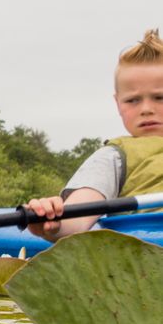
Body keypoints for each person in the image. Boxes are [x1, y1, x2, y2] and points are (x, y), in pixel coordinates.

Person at [26, 29, 163, 241]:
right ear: (118, 104)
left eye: (160, 97)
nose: (146, 109)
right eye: (132, 100)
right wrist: (53, 221)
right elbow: (78, 215)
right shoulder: (114, 157)